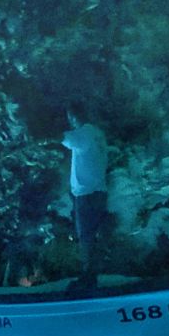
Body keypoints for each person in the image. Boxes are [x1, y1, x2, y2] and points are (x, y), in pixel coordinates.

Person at [61, 112, 109, 288]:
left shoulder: (84, 134)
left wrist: (42, 138)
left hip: (86, 194)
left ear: (75, 117)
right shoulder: (98, 134)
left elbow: (64, 138)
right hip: (99, 191)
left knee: (86, 236)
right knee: (94, 235)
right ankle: (96, 273)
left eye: (70, 118)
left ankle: (88, 278)